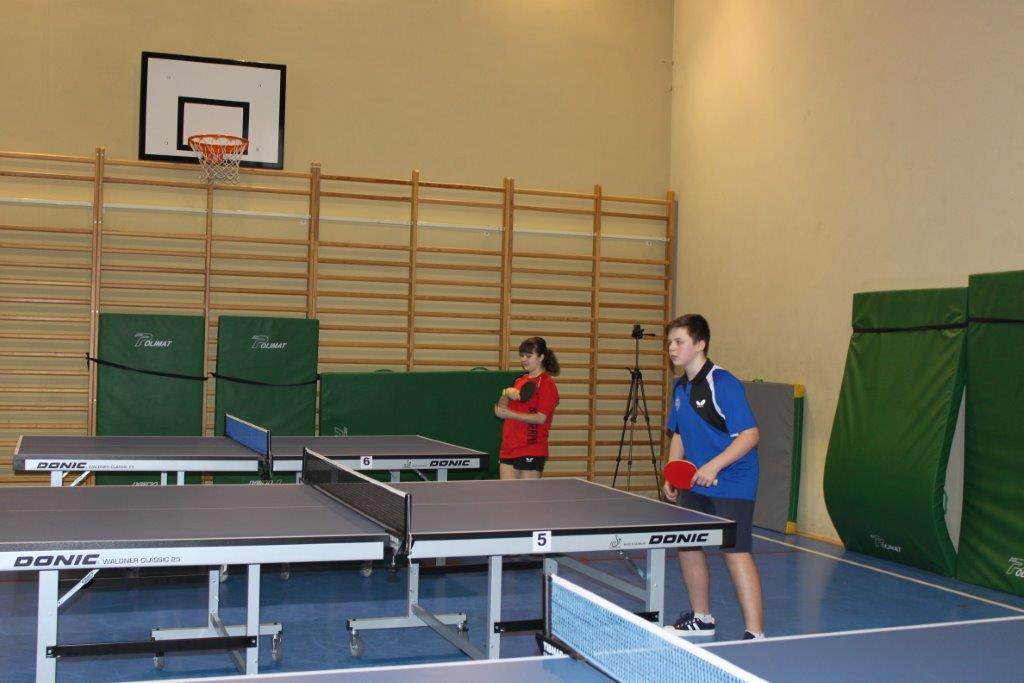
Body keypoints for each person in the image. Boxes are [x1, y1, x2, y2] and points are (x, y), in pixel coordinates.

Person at [661, 314, 765, 640]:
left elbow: (750, 435)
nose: (672, 348)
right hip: (695, 480)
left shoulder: (722, 383)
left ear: (700, 344)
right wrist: (672, 469)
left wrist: (714, 466)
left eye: (679, 341)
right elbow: (679, 432)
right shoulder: (681, 387)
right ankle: (702, 618)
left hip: (733, 480)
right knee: (687, 545)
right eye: (669, 342)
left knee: (735, 552)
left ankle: (755, 633)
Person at [494, 337, 560, 479]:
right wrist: (506, 393)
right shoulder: (519, 380)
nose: (524, 359)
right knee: (506, 493)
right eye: (522, 355)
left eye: (529, 356)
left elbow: (541, 418)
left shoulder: (546, 384)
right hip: (509, 448)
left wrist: (511, 415)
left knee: (527, 494)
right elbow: (500, 410)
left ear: (541, 357)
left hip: (531, 447)